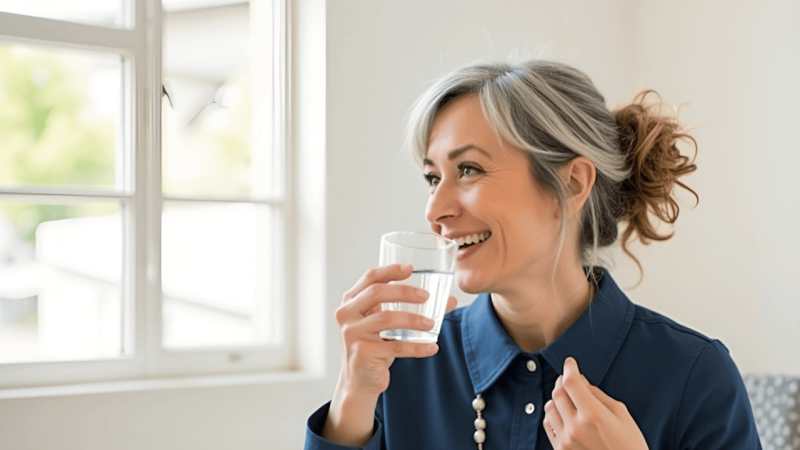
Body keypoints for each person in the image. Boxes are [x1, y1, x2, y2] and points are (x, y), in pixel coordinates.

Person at [304, 60, 761, 449]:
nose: (435, 210)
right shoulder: (403, 365)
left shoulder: (696, 378)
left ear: (573, 183)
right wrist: (352, 395)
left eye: (468, 169)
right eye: (431, 177)